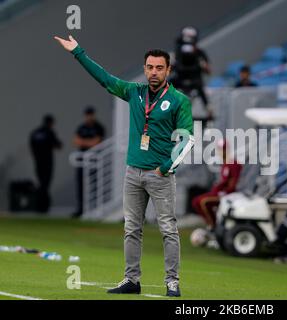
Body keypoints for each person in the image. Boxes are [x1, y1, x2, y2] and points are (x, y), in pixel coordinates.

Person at [54, 35, 194, 297]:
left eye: (159, 68)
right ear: (144, 69)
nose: (154, 72)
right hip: (133, 172)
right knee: (131, 228)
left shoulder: (178, 100)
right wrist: (78, 52)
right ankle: (132, 280)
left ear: (168, 70)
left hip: (160, 175)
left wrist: (165, 168)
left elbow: (187, 141)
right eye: (150, 67)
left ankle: (172, 282)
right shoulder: (135, 92)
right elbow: (105, 79)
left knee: (168, 229)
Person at [191, 139, 242, 229]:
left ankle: (213, 226)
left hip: (228, 195)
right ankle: (212, 223)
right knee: (196, 201)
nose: (221, 152)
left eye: (223, 149)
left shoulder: (233, 164)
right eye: (220, 149)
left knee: (204, 202)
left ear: (227, 150)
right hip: (220, 192)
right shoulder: (225, 164)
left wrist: (223, 191)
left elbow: (234, 183)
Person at [171, 26, 213, 119]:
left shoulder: (199, 53)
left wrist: (202, 64)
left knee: (201, 89)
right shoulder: (177, 53)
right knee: (167, 86)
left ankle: (209, 110)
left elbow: (208, 71)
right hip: (180, 80)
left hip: (195, 81)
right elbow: (170, 70)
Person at [72, 106, 105, 218]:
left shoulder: (98, 127)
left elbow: (96, 143)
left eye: (90, 114)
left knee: (95, 185)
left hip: (94, 161)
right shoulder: (81, 127)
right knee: (81, 185)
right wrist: (88, 142)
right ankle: (81, 209)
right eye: (87, 115)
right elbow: (76, 141)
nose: (89, 117)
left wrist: (83, 142)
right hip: (82, 161)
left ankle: (94, 209)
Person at [29, 114, 62, 213]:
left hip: (38, 162)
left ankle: (40, 205)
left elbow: (31, 147)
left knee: (41, 183)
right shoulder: (49, 132)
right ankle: (42, 206)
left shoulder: (35, 133)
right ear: (51, 123)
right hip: (47, 162)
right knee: (45, 184)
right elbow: (58, 145)